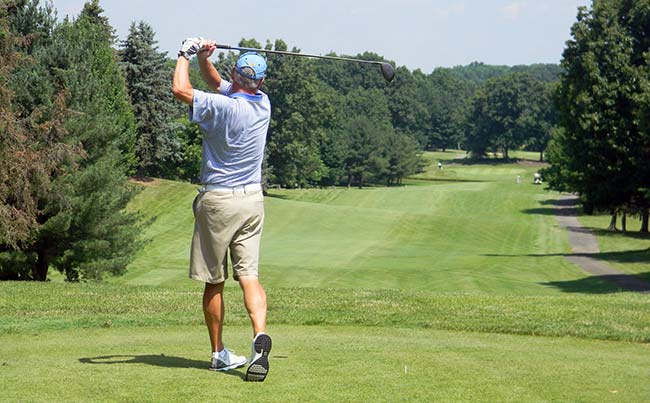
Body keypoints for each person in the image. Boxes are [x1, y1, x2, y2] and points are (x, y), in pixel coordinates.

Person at [172, 37, 272, 382]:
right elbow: (217, 83)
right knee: (250, 276)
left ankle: (218, 354)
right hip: (252, 200)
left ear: (236, 75)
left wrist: (184, 55)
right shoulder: (264, 103)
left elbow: (180, 90)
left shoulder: (223, 107)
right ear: (259, 82)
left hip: (218, 202)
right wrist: (204, 58)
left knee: (214, 282)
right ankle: (259, 334)